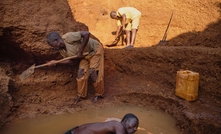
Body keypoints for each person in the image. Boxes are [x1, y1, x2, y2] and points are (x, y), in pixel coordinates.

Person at [46, 31, 104, 104]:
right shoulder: (62, 50)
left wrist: (80, 51)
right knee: (80, 72)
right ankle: (81, 95)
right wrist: (56, 62)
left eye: (52, 45)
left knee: (93, 72)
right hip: (85, 56)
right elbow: (72, 61)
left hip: (94, 50)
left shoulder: (68, 38)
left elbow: (86, 34)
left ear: (56, 40)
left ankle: (99, 94)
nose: (53, 47)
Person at [65, 113, 139, 134]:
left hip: (74, 130)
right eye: (134, 125)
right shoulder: (119, 126)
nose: (135, 129)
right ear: (125, 121)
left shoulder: (114, 125)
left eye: (136, 127)